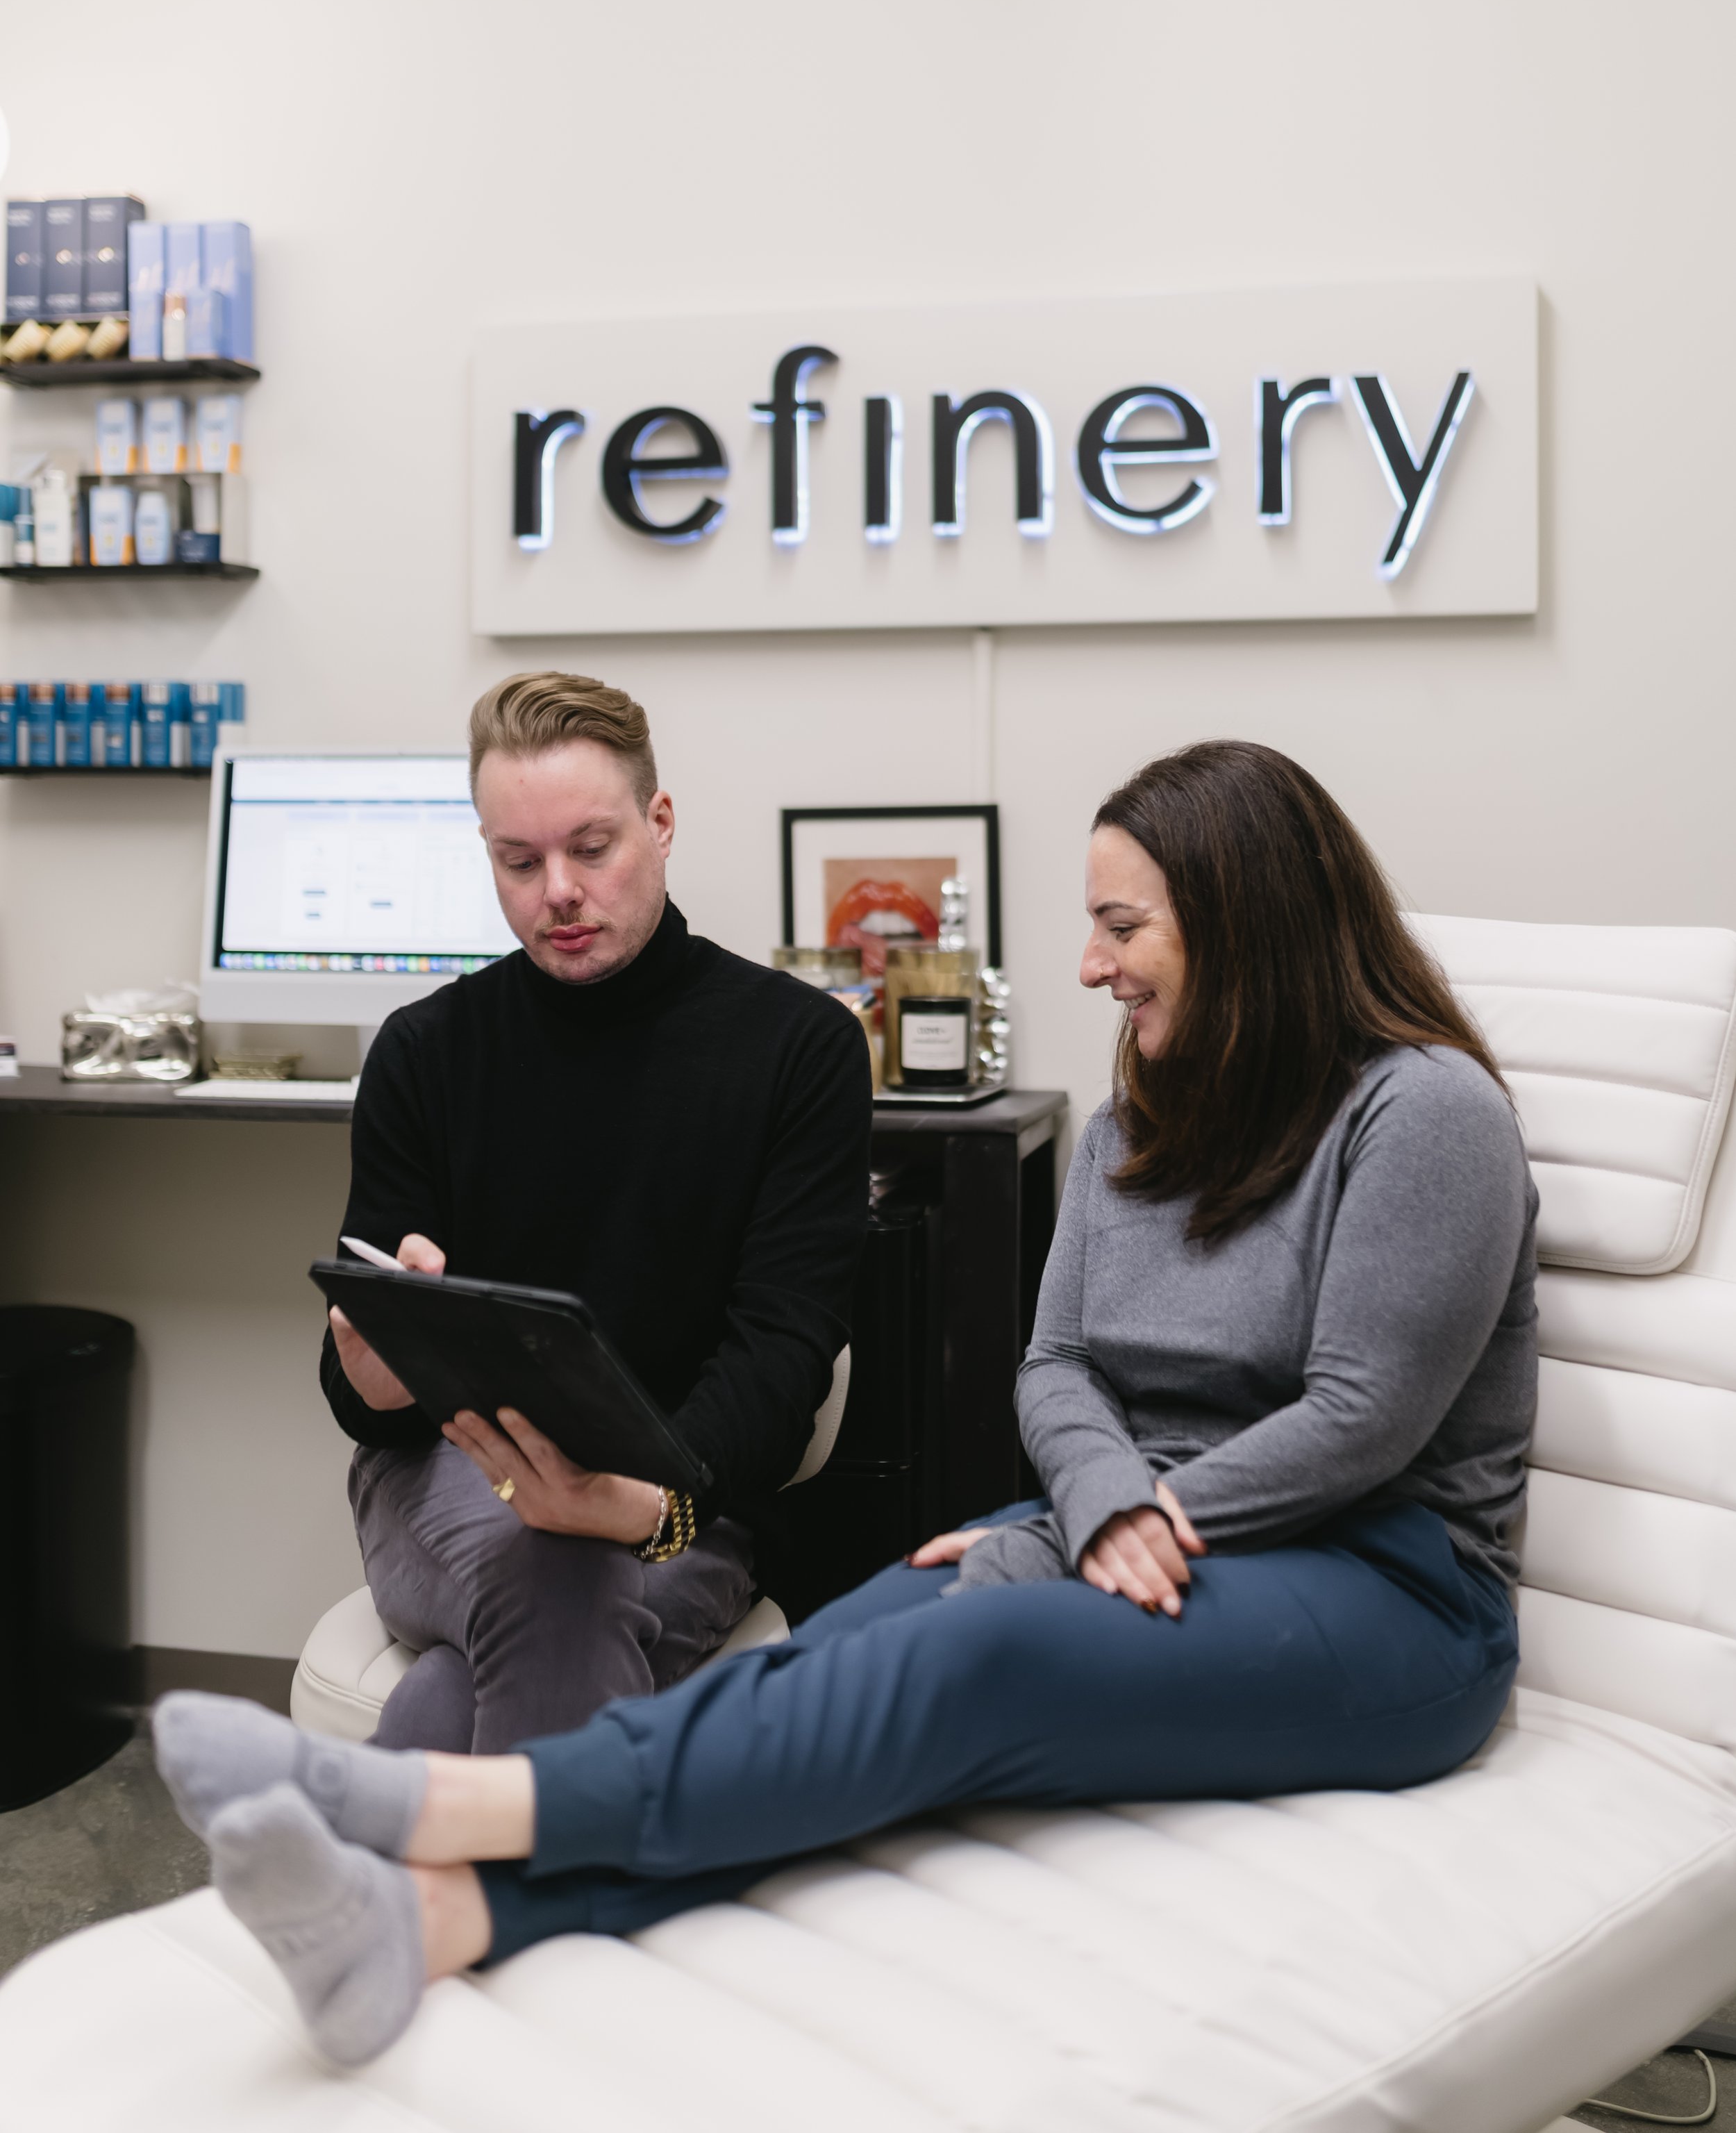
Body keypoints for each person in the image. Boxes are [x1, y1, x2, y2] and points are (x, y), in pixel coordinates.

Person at [156, 739, 1537, 2068]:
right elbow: (1054, 1369)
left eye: (1120, 925)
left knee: (975, 1660)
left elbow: (1361, 1416)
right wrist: (1085, 1504)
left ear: (1248, 925)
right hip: (1136, 1526)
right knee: (820, 1665)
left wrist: (1096, 1516)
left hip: (1380, 1583)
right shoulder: (1140, 1116)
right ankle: (431, 1917)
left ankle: (432, 1810)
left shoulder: (1421, 1112)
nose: (1086, 963)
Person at [314, 669, 871, 1754]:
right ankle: (574, 1916)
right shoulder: (426, 1051)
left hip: (683, 1488)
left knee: (479, 1668)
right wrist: (375, 1376)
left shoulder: (797, 1047)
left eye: (591, 847)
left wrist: (655, 1500)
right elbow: (357, 1388)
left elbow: (783, 1353)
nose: (557, 890)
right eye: (517, 862)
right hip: (452, 1476)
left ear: (660, 826)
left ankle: (396, 1898)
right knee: (550, 1568)